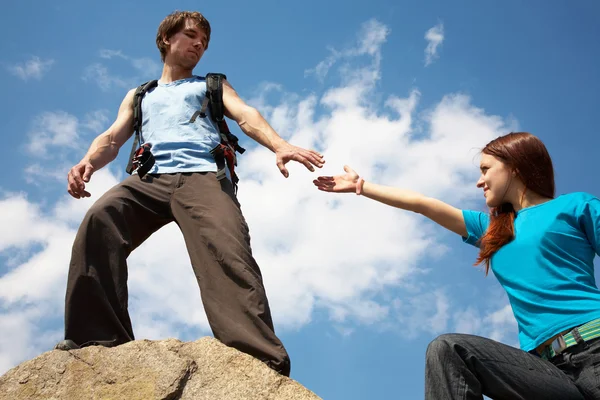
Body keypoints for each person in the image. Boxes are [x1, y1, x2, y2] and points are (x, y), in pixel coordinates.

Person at [54, 10, 325, 377]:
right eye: (192, 36)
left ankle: (256, 360)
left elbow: (245, 115)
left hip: (203, 178)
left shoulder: (211, 84)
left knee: (227, 253)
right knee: (99, 219)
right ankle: (97, 336)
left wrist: (279, 144)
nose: (199, 44)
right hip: (148, 180)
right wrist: (88, 160)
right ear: (167, 39)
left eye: (204, 41)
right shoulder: (141, 94)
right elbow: (114, 137)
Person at [313, 132, 600, 399]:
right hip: (545, 369)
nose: (479, 181)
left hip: (594, 347)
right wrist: (362, 187)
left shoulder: (574, 207)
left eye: (485, 169)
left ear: (514, 165)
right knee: (449, 350)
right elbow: (422, 204)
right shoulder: (491, 229)